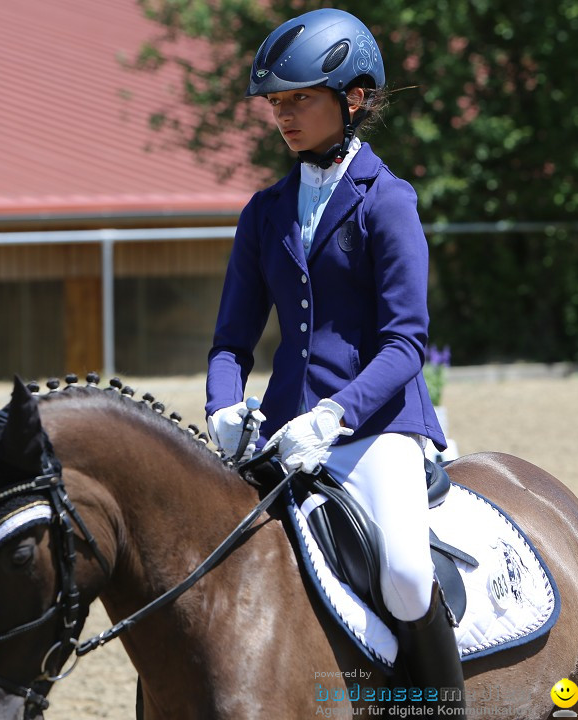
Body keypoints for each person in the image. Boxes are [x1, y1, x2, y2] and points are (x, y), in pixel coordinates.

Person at [204, 7, 465, 710]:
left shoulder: (390, 202)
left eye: (300, 100)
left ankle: (441, 708)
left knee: (407, 575)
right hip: (284, 430)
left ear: (353, 100)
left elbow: (407, 342)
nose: (283, 116)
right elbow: (231, 341)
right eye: (276, 103)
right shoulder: (264, 211)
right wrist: (224, 406)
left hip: (377, 425)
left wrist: (333, 416)